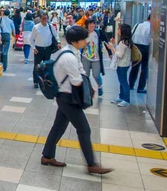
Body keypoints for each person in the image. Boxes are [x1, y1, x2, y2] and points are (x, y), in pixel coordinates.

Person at [41, 26, 113, 175]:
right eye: (84, 39)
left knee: (58, 127)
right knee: (84, 129)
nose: (86, 42)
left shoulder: (71, 53)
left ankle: (47, 156)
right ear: (75, 41)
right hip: (68, 98)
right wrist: (87, 91)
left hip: (65, 96)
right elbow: (76, 81)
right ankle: (92, 164)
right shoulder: (69, 57)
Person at [31, 13, 61, 88]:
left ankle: (45, 80)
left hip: (47, 49)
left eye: (46, 18)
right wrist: (34, 48)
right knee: (37, 66)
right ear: (40, 19)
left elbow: (56, 35)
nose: (45, 20)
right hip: (38, 49)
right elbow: (31, 39)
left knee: (47, 66)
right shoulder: (36, 27)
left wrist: (59, 42)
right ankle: (36, 81)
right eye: (43, 18)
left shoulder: (50, 27)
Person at [81, 18, 110, 97]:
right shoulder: (83, 33)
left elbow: (106, 42)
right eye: (90, 24)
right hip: (85, 57)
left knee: (96, 75)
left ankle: (100, 86)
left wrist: (110, 53)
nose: (92, 25)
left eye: (93, 24)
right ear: (87, 25)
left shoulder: (98, 33)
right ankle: (86, 91)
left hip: (96, 58)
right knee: (85, 75)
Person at [106, 23, 133, 107]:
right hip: (125, 64)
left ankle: (126, 99)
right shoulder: (126, 41)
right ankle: (122, 97)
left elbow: (119, 54)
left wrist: (112, 48)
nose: (117, 30)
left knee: (124, 82)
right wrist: (114, 45)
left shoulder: (123, 42)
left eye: (119, 29)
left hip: (122, 65)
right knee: (122, 82)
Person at [129, 15, 151, 94]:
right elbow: (150, 40)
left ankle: (131, 85)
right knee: (144, 69)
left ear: (146, 18)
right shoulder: (151, 28)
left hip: (135, 48)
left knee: (134, 67)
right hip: (145, 48)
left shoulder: (137, 25)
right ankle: (141, 87)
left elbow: (131, 34)